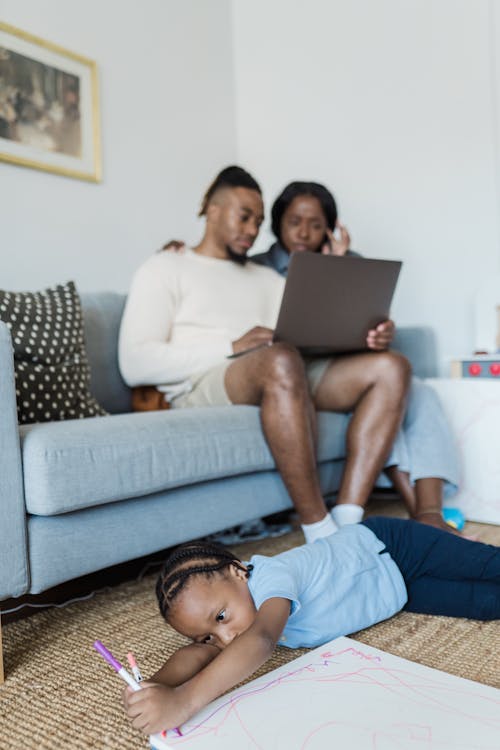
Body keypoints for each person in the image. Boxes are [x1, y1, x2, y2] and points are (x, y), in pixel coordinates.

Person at [119, 166, 411, 545]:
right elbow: (134, 363)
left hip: (278, 372)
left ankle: (349, 517)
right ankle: (320, 531)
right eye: (244, 216)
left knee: (391, 367)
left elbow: (316, 335)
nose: (253, 229)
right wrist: (230, 347)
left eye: (258, 221)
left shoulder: (268, 278)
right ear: (210, 209)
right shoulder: (164, 267)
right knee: (280, 359)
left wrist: (370, 333)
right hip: (202, 382)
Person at [123, 523, 500, 734]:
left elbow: (262, 640)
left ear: (239, 572)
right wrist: (157, 685)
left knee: (488, 565)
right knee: (484, 605)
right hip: (394, 590)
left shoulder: (269, 578)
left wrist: (185, 701)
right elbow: (200, 653)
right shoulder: (235, 618)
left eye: (220, 618)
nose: (224, 637)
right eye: (208, 634)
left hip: (395, 546)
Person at [250, 181, 460, 532]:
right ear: (277, 223)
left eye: (316, 224)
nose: (304, 232)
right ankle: (426, 522)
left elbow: (366, 324)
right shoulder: (256, 267)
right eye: (294, 221)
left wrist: (380, 334)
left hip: (344, 366)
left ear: (330, 227)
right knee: (397, 380)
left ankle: (427, 513)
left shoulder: (351, 262)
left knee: (419, 388)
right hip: (295, 371)